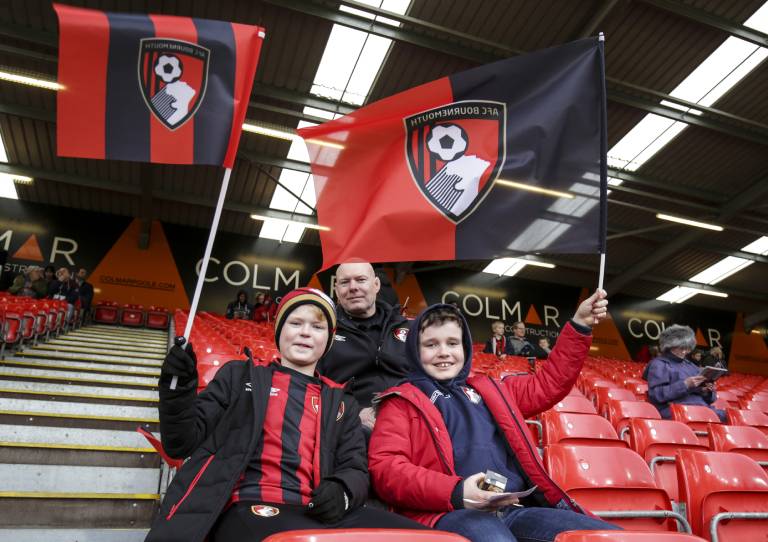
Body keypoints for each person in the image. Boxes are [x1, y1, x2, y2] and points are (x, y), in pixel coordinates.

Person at [146, 288, 425, 542]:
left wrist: (342, 490)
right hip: (249, 505)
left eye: (317, 326)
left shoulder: (342, 402)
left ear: (328, 339)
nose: (305, 332)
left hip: (318, 513)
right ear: (279, 331)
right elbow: (180, 442)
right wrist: (179, 390)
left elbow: (355, 467)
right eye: (295, 323)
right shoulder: (238, 376)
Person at [368, 290, 621, 541]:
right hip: (449, 511)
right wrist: (456, 491)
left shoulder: (493, 389)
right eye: (431, 344)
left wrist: (579, 326)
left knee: (604, 536)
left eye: (453, 343)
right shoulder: (400, 401)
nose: (444, 352)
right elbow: (387, 471)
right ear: (414, 350)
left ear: (465, 348)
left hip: (514, 509)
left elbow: (550, 383)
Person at [317, 261, 410, 433]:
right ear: (337, 290)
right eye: (345, 282)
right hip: (350, 428)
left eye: (360, 280)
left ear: (376, 285)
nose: (353, 287)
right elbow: (312, 389)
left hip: (409, 421)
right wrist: (353, 413)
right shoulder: (322, 330)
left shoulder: (407, 329)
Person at [645, 325, 726, 423]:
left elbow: (710, 400)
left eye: (687, 348)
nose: (684, 351)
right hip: (676, 410)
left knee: (730, 416)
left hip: (700, 408)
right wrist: (685, 385)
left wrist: (707, 390)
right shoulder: (659, 364)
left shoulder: (691, 366)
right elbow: (656, 396)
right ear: (670, 346)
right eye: (680, 347)